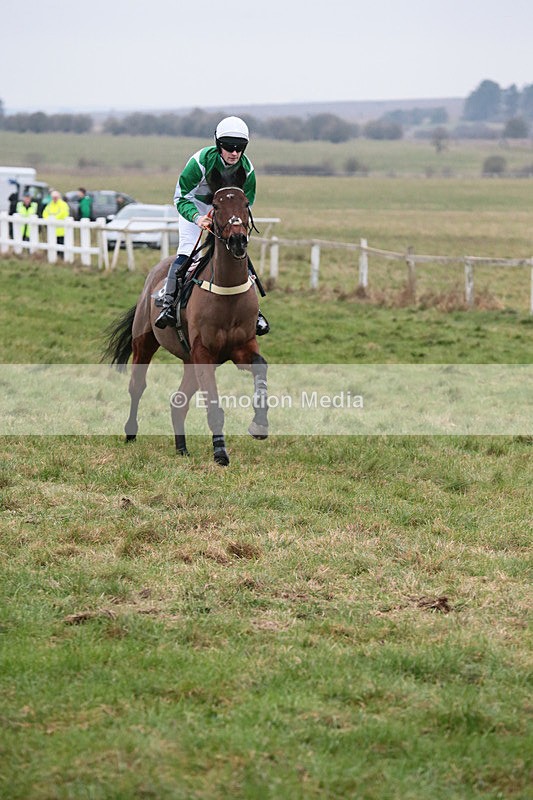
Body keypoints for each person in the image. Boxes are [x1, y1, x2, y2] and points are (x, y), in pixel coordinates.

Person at [155, 116, 269, 334]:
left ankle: (255, 313)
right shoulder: (200, 161)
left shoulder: (248, 169)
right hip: (195, 207)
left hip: (225, 212)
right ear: (218, 145)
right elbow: (181, 198)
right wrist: (197, 218)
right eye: (228, 147)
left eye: (239, 148)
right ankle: (169, 304)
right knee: (188, 251)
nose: (234, 153)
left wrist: (232, 220)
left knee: (239, 252)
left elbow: (247, 202)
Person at [42, 190, 70, 254]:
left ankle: (61, 259)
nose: (54, 198)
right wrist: (48, 220)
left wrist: (53, 219)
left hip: (61, 231)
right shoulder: (50, 204)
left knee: (61, 246)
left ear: (59, 197)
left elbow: (64, 213)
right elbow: (45, 213)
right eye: (53, 197)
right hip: (51, 230)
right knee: (52, 246)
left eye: (56, 197)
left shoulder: (63, 204)